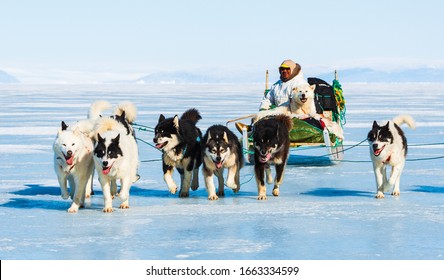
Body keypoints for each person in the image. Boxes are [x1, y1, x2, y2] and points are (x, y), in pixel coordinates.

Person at [235, 59, 305, 133]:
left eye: (287, 69)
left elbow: (297, 101)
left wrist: (275, 110)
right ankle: (251, 129)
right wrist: (264, 108)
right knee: (262, 115)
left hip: (293, 113)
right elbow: (267, 99)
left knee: (270, 121)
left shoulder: (300, 84)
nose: (284, 71)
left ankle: (251, 131)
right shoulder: (277, 85)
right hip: (278, 112)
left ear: (293, 70)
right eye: (282, 69)